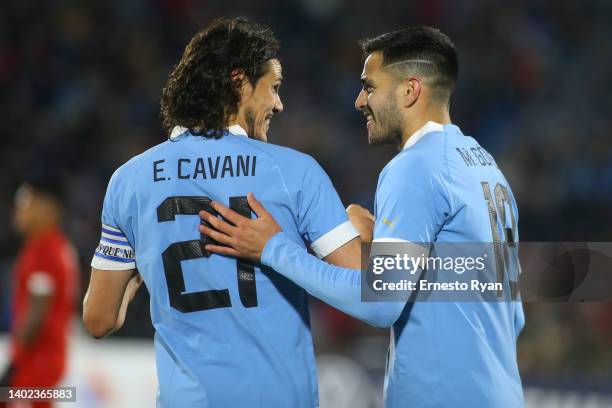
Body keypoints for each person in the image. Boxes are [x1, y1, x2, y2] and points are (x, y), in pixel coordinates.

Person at [198, 26, 525, 407]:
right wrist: (382, 254)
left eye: (369, 87)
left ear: (410, 90)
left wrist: (275, 249)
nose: (358, 101)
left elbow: (380, 305)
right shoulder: (486, 168)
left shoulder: (415, 167)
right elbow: (504, 304)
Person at [82, 17, 360, 408]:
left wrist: (137, 273)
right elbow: (369, 287)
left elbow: (98, 321)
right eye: (274, 87)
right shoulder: (293, 171)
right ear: (239, 82)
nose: (279, 104)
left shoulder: (129, 181)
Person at [4, 175, 79, 408]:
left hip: (36, 362)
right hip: (48, 360)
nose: (19, 210)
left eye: (26, 201)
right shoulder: (58, 247)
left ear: (47, 208)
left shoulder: (43, 250)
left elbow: (37, 312)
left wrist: (14, 364)